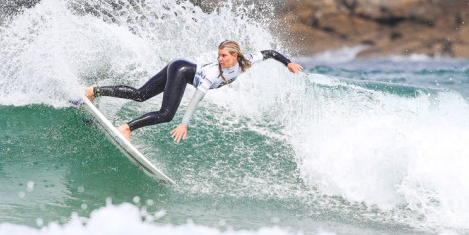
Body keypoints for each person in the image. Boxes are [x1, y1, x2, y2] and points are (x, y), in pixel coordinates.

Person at [83, 40, 304, 142]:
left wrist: (288, 63)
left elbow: (270, 52)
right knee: (166, 114)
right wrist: (184, 123)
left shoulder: (246, 61)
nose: (220, 59)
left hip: (178, 65)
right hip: (181, 71)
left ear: (235, 56)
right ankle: (126, 128)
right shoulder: (215, 73)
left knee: (141, 94)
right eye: (219, 55)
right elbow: (196, 100)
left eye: (224, 56)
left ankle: (93, 91)